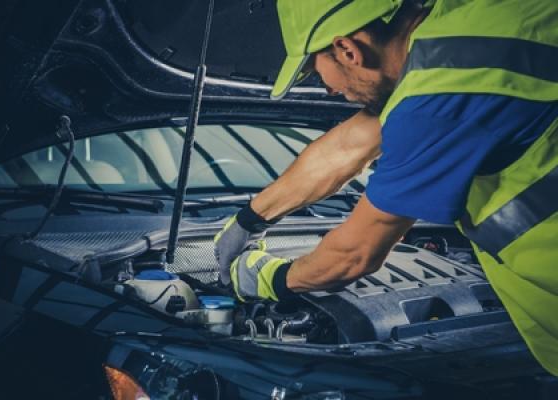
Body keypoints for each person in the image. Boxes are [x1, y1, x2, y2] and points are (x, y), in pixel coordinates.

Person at [214, 0, 558, 375]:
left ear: (347, 49)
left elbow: (353, 256)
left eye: (316, 72)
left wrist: (266, 277)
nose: (329, 91)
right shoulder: (465, 30)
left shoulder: (433, 104)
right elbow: (345, 148)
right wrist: (250, 219)